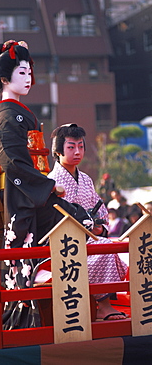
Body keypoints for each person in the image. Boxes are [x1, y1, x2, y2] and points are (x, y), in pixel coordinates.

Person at [0, 40, 93, 329]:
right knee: (42, 239)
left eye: (30, 72)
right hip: (21, 192)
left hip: (32, 187)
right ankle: (25, 318)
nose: (28, 78)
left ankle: (56, 303)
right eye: (22, 72)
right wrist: (48, 187)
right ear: (4, 78)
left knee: (79, 220)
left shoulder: (18, 112)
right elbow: (14, 162)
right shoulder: (5, 116)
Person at [48, 124, 128, 321]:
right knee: (103, 248)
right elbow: (53, 218)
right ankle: (104, 305)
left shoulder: (86, 179)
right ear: (58, 151)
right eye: (71, 147)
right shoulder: (51, 182)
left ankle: (106, 303)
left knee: (112, 247)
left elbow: (100, 209)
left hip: (92, 238)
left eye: (81, 146)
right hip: (66, 243)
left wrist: (100, 227)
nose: (77, 152)